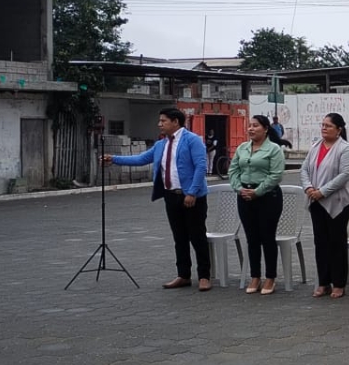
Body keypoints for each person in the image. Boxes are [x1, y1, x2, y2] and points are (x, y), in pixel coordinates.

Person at [106, 105, 212, 289]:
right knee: (179, 237)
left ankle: (204, 276)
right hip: (171, 196)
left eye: (163, 121)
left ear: (175, 122)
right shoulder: (161, 144)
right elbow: (140, 159)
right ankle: (183, 275)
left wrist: (192, 192)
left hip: (191, 197)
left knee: (197, 236)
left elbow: (201, 167)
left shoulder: (192, 140)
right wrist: (114, 159)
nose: (159, 124)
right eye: (160, 121)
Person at [228, 113, 286, 293]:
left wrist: (257, 192)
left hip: (268, 197)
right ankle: (255, 277)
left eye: (255, 126)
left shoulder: (274, 149)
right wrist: (239, 189)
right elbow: (233, 170)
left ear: (266, 129)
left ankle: (270, 278)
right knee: (251, 238)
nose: (251, 129)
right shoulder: (242, 148)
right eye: (250, 125)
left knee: (267, 237)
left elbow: (276, 175)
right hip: (244, 196)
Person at [300, 112, 349, 297]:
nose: (324, 128)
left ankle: (339, 283)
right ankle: (323, 282)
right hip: (315, 201)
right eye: (323, 125)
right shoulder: (316, 146)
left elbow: (344, 175)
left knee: (336, 242)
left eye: (328, 126)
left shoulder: (345, 149)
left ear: (338, 130)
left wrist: (323, 191)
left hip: (337, 202)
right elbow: (304, 169)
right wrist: (309, 188)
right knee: (320, 242)